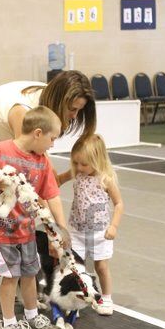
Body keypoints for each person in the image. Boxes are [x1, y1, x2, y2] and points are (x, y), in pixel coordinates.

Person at [0, 70, 96, 329]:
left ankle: (16, 293)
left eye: (79, 112)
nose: (74, 117)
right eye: (72, 110)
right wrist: (53, 230)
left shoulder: (44, 116)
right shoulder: (23, 114)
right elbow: (29, 187)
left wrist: (59, 229)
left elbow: (45, 184)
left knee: (13, 227)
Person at [0, 106, 66, 329]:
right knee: (9, 277)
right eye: (52, 139)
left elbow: (51, 194)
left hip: (26, 230)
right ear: (37, 133)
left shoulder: (41, 161)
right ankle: (9, 325)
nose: (52, 145)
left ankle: (33, 317)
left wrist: (61, 228)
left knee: (30, 273)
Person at [60, 133, 124, 316]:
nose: (79, 167)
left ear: (97, 160)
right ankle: (76, 300)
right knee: (76, 267)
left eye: (84, 164)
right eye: (76, 163)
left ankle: (106, 297)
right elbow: (55, 181)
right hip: (77, 232)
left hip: (100, 233)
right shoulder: (76, 173)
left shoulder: (105, 179)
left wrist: (114, 226)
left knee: (101, 267)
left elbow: (119, 203)